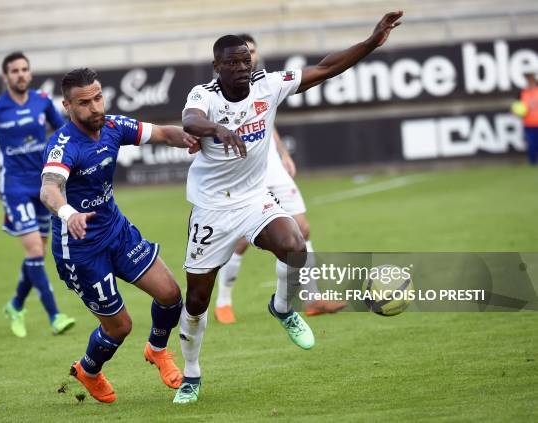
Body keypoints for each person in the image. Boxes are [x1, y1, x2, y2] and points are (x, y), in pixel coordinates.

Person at [175, 11, 403, 403]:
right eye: (232, 62)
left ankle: (282, 308)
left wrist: (370, 42)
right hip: (212, 208)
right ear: (217, 67)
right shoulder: (204, 95)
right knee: (196, 299)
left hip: (253, 197)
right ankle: (192, 374)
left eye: (246, 59)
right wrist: (217, 129)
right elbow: (190, 120)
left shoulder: (268, 85)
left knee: (295, 246)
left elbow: (326, 68)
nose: (241, 67)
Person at [40, 68, 198, 403]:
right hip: (81, 250)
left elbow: (163, 134)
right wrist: (69, 214)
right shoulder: (63, 145)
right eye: (85, 103)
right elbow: (49, 190)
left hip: (117, 231)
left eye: (98, 97)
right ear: (67, 106)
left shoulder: (112, 125)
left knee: (170, 294)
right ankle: (88, 370)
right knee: (120, 327)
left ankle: (157, 350)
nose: (95, 107)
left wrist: (199, 136)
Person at [213, 33, 346, 324]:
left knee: (302, 229)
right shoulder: (223, 91)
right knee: (240, 241)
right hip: (244, 175)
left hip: (272, 166)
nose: (249, 58)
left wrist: (283, 153)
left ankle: (312, 298)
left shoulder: (264, 83)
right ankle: (223, 301)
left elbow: (266, 122)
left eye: (252, 53)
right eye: (243, 54)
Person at [0, 51, 75, 338]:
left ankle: (15, 305)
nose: (21, 74)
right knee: (35, 251)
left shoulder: (42, 101)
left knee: (36, 255)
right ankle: (55, 315)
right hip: (13, 187)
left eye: (25, 69)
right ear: (5, 76)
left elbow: (64, 132)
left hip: (43, 186)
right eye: (15, 71)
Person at [512, 71, 538, 165]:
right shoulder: (522, 92)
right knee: (532, 144)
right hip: (529, 123)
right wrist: (515, 112)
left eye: (530, 78)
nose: (529, 80)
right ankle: (533, 162)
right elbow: (516, 106)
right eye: (527, 78)